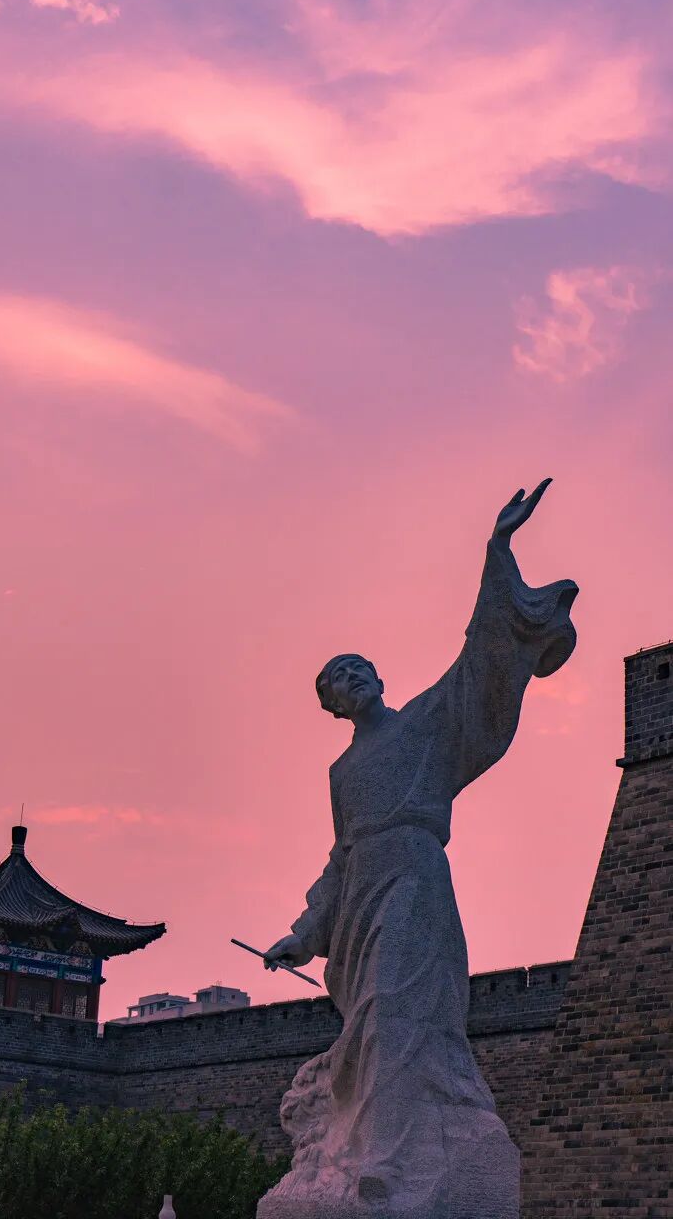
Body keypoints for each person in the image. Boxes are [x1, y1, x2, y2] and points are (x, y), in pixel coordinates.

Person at [258, 481, 578, 1218]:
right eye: (337, 680)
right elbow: (339, 857)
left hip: (414, 876)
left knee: (396, 1009)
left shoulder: (424, 725)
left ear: (377, 678)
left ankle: (390, 1163)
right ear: (332, 706)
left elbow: (475, 668)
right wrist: (304, 933)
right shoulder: (342, 773)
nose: (351, 679)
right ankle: (376, 1153)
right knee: (373, 1019)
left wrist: (496, 549)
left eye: (357, 668)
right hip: (362, 895)